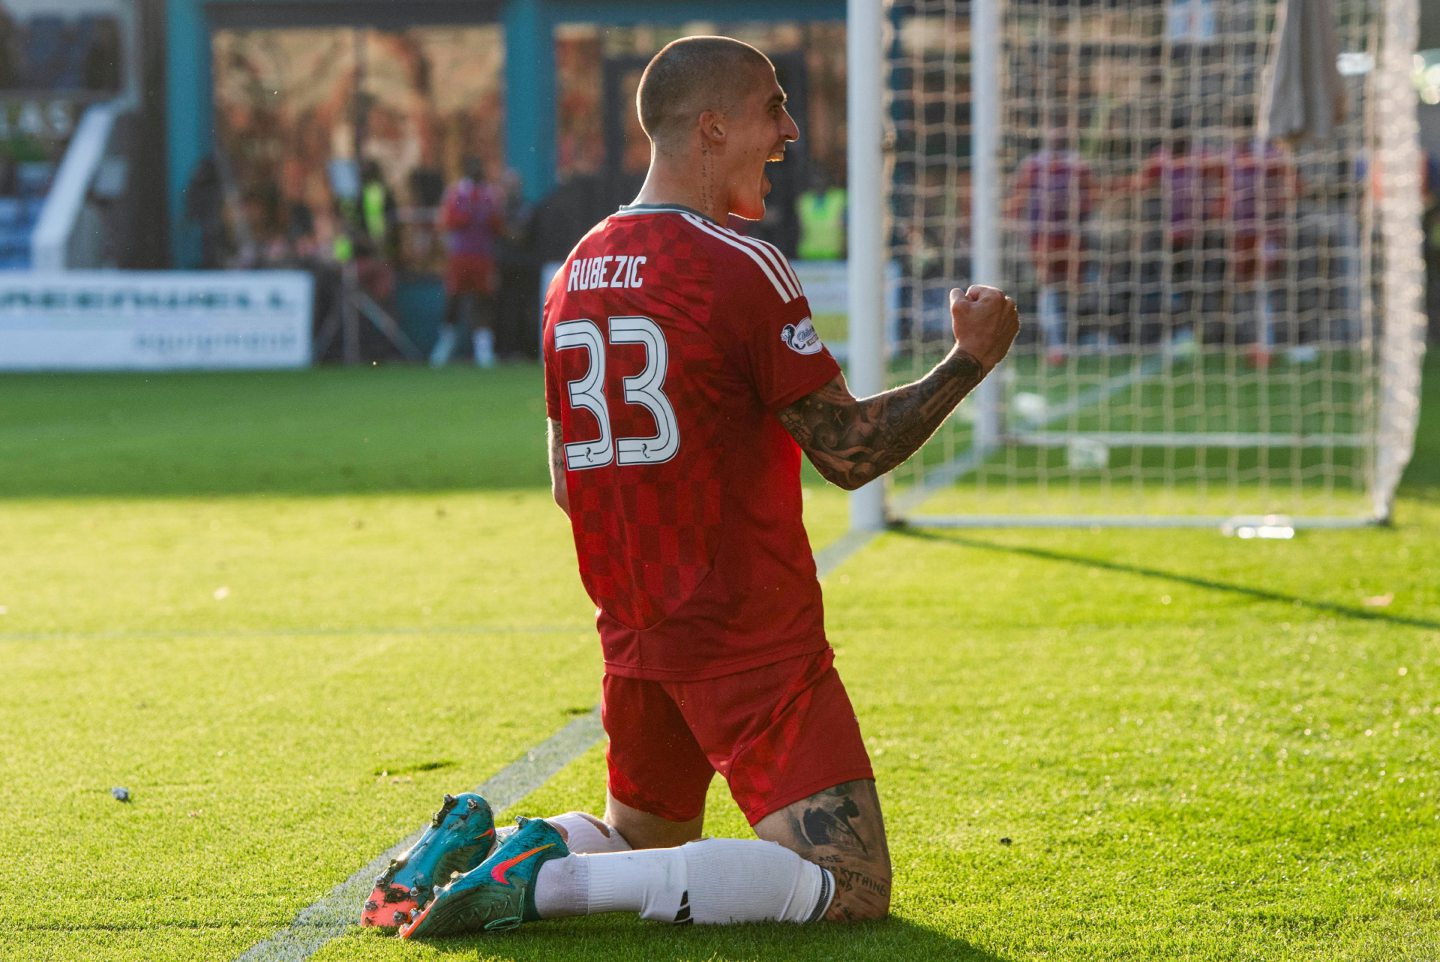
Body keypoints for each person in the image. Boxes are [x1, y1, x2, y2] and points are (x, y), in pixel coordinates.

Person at [363, 36, 1018, 938]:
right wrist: (969, 361)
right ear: (712, 128)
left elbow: (565, 479)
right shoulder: (737, 263)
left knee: (638, 837)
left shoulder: (574, 274)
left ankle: (494, 845)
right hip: (745, 634)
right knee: (850, 883)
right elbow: (852, 453)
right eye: (772, 108)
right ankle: (543, 882)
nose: (788, 131)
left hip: (637, 635)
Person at [1007, 114, 1098, 363]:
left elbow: (1092, 198)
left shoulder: (1078, 165)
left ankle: (1078, 341)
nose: (1056, 136)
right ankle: (1056, 346)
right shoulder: (1033, 165)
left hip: (1071, 236)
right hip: (1042, 237)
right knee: (1047, 286)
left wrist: (1077, 209)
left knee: (1074, 289)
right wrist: (1018, 227)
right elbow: (1017, 199)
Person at [431, 157, 505, 367]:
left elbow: (498, 225)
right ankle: (445, 347)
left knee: (483, 300)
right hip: (460, 256)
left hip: (482, 257)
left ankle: (483, 350)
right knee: (454, 299)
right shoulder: (457, 193)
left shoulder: (490, 194)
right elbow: (449, 221)